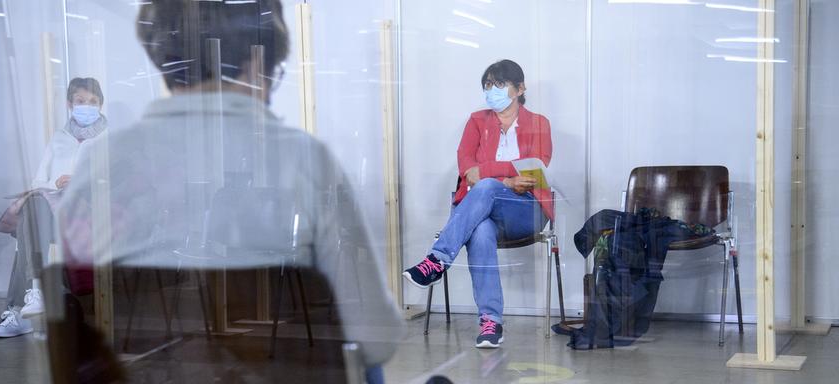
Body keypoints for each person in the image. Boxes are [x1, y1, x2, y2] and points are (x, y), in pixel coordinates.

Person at [53, 1, 402, 382]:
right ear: (257, 66)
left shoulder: (100, 157)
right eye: (275, 72)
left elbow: (74, 305)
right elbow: (377, 339)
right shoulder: (306, 159)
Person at [402, 59, 554, 349]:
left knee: (485, 186)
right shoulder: (476, 121)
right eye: (487, 85)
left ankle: (436, 261)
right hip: (484, 210)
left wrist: (492, 175)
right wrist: (507, 177)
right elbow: (466, 168)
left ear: (520, 88)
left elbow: (535, 169)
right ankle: (490, 321)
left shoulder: (539, 123)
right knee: (481, 229)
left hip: (526, 209)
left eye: (499, 84)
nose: (491, 91)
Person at [0, 78, 108, 338]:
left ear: (101, 105)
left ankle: (22, 304)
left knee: (29, 226)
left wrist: (79, 181)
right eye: (80, 101)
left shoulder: (110, 139)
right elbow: (39, 181)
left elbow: (116, 181)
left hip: (90, 215)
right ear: (69, 104)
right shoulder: (59, 139)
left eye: (92, 102)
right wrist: (52, 185)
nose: (86, 106)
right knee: (33, 210)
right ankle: (33, 295)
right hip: (54, 213)